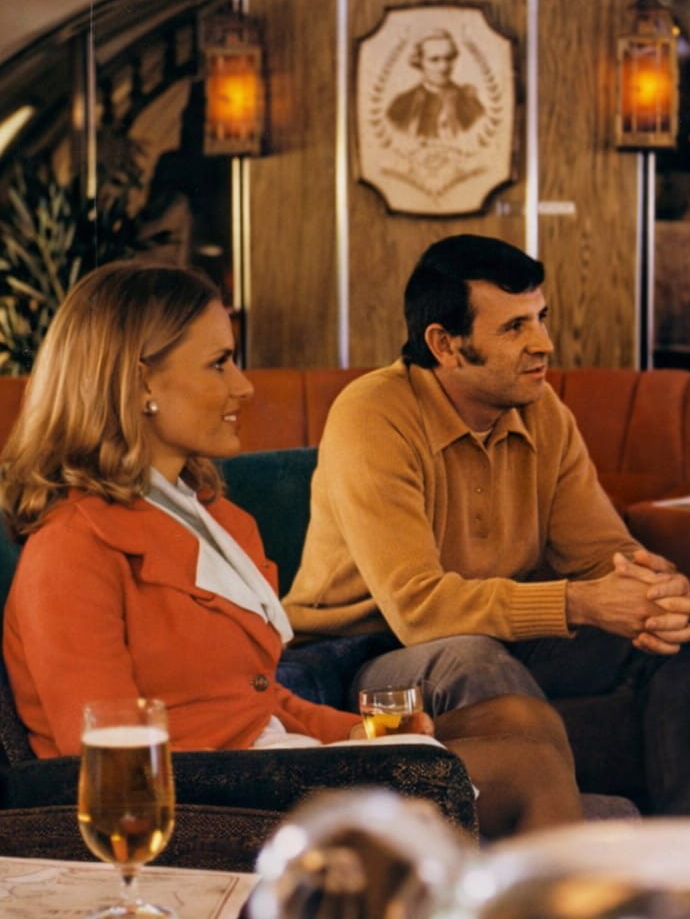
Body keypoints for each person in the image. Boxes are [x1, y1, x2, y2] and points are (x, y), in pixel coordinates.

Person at [0, 262, 583, 836]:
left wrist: (357, 732)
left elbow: (254, 698)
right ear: (141, 382)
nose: (243, 386)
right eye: (219, 363)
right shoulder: (73, 548)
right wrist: (337, 759)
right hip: (216, 799)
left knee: (521, 718)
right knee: (524, 769)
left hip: (273, 761)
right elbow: (108, 757)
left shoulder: (214, 520)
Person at [282, 234, 690, 815]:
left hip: (499, 627)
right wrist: (583, 604)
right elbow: (419, 609)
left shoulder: (541, 410)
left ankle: (685, 842)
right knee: (473, 659)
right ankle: (551, 837)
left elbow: (599, 551)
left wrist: (648, 587)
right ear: (445, 344)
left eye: (541, 319)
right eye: (514, 328)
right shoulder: (373, 413)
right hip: (364, 652)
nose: (543, 344)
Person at [386, 30, 485, 141]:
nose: (444, 67)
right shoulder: (401, 103)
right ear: (419, 61)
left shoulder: (469, 102)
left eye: (449, 59)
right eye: (434, 60)